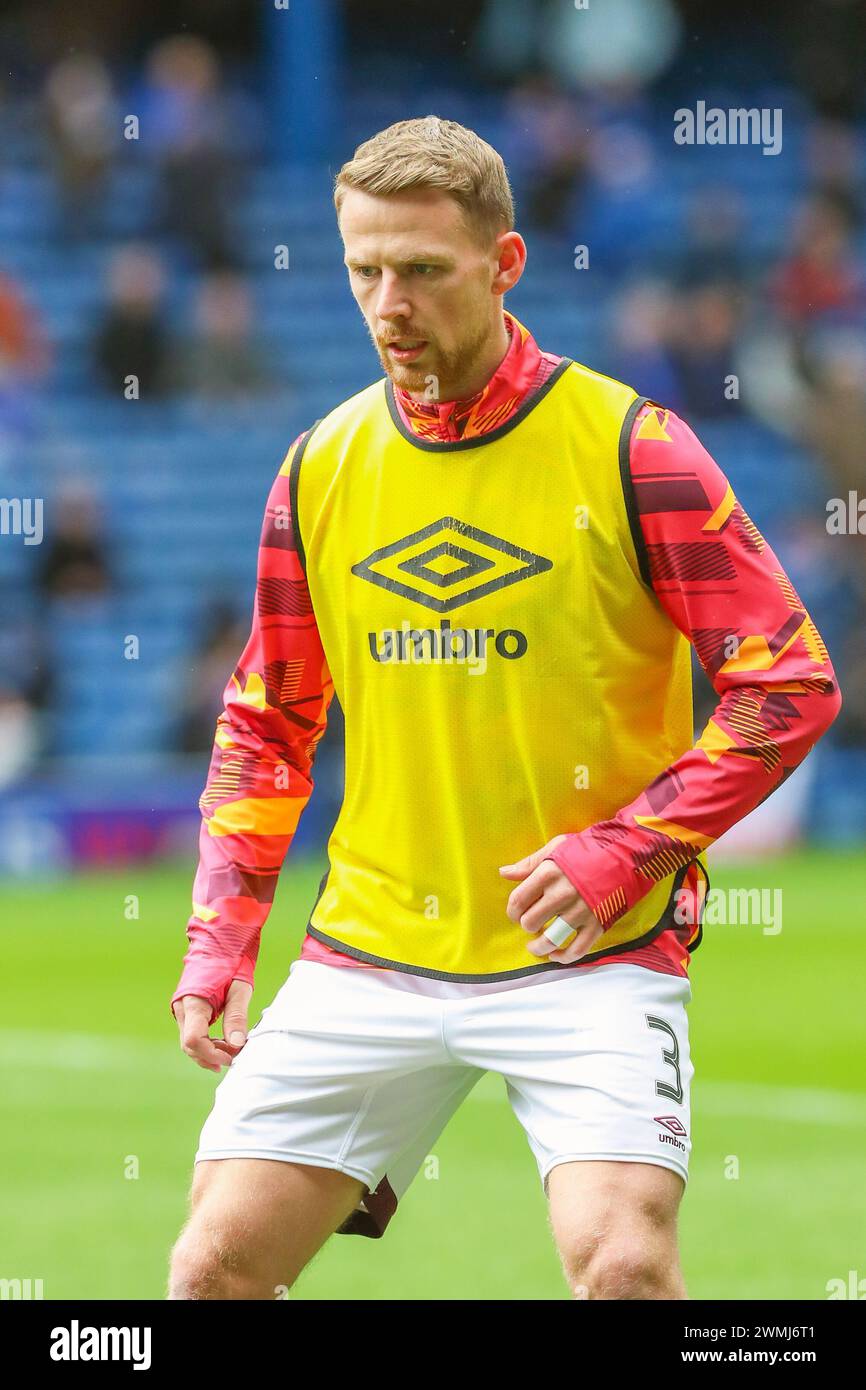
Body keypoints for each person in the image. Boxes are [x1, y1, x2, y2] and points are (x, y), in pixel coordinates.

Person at [168, 117, 841, 1300]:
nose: (389, 303)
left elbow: (786, 682)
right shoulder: (318, 466)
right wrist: (221, 936)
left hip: (590, 951)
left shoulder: (636, 450)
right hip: (371, 949)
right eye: (364, 270)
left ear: (504, 263)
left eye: (423, 270)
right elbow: (267, 721)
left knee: (623, 1267)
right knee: (213, 1268)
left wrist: (628, 847)